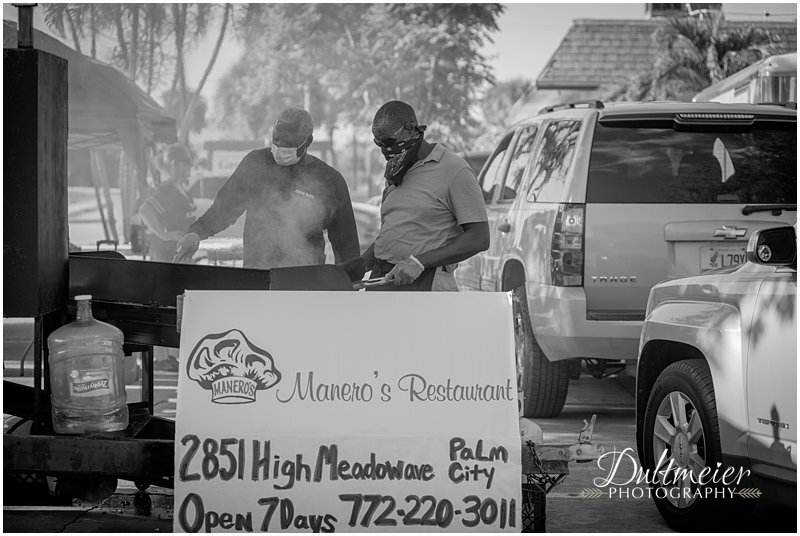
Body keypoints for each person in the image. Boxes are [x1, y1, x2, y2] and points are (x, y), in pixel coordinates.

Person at [174, 107, 361, 270]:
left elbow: (347, 246)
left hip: (305, 279)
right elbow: (224, 209)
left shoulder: (329, 180)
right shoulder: (255, 164)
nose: (279, 147)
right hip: (257, 274)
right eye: (276, 140)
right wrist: (196, 232)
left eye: (288, 144)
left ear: (308, 141)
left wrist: (346, 284)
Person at [354, 100, 489, 291]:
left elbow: (479, 238)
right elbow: (396, 233)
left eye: (389, 142)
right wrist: (361, 264)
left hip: (427, 280)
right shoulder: (395, 172)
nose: (385, 150)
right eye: (379, 144)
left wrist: (420, 262)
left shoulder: (454, 170)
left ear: (411, 129)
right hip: (384, 279)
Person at [138, 144, 197, 262]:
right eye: (188, 161)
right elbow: (144, 211)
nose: (191, 165)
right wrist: (164, 235)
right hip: (166, 254)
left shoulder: (181, 188)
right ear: (175, 164)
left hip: (178, 252)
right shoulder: (167, 189)